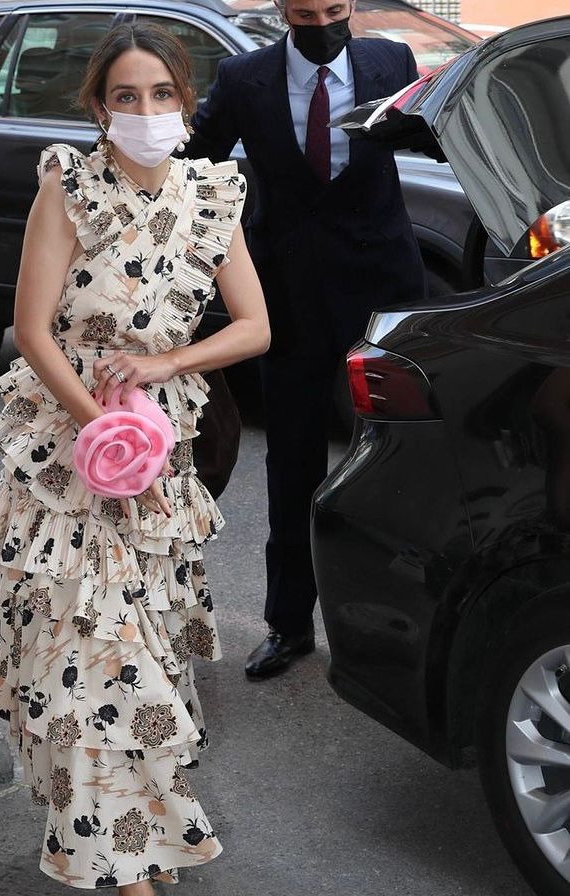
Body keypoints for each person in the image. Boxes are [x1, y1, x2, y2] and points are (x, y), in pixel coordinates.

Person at [0, 23, 269, 896]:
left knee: (137, 672)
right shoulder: (71, 186)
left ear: (184, 102)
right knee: (72, 672)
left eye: (161, 94)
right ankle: (128, 872)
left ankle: (136, 885)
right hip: (69, 467)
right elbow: (31, 324)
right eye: (125, 97)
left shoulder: (212, 195)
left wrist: (168, 370)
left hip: (161, 470)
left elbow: (254, 325)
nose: (145, 113)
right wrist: (103, 433)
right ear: (98, 108)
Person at [184, 0, 428, 679]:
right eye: (303, 11)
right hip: (288, 300)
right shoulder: (243, 79)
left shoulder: (391, 61)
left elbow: (431, 136)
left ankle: (394, 632)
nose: (320, 22)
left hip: (384, 294)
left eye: (332, 8)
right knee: (291, 466)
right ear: (283, 11)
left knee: (398, 466)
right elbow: (188, 163)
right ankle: (288, 625)